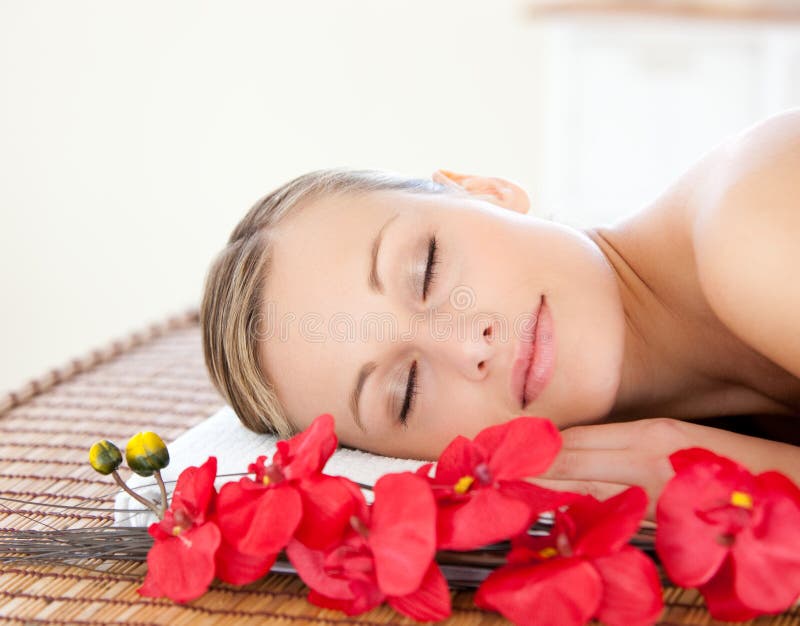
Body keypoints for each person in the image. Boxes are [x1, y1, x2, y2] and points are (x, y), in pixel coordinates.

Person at [200, 108, 800, 517]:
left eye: (428, 268)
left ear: (485, 190)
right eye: (406, 392)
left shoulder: (748, 227)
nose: (469, 346)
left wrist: (741, 477)